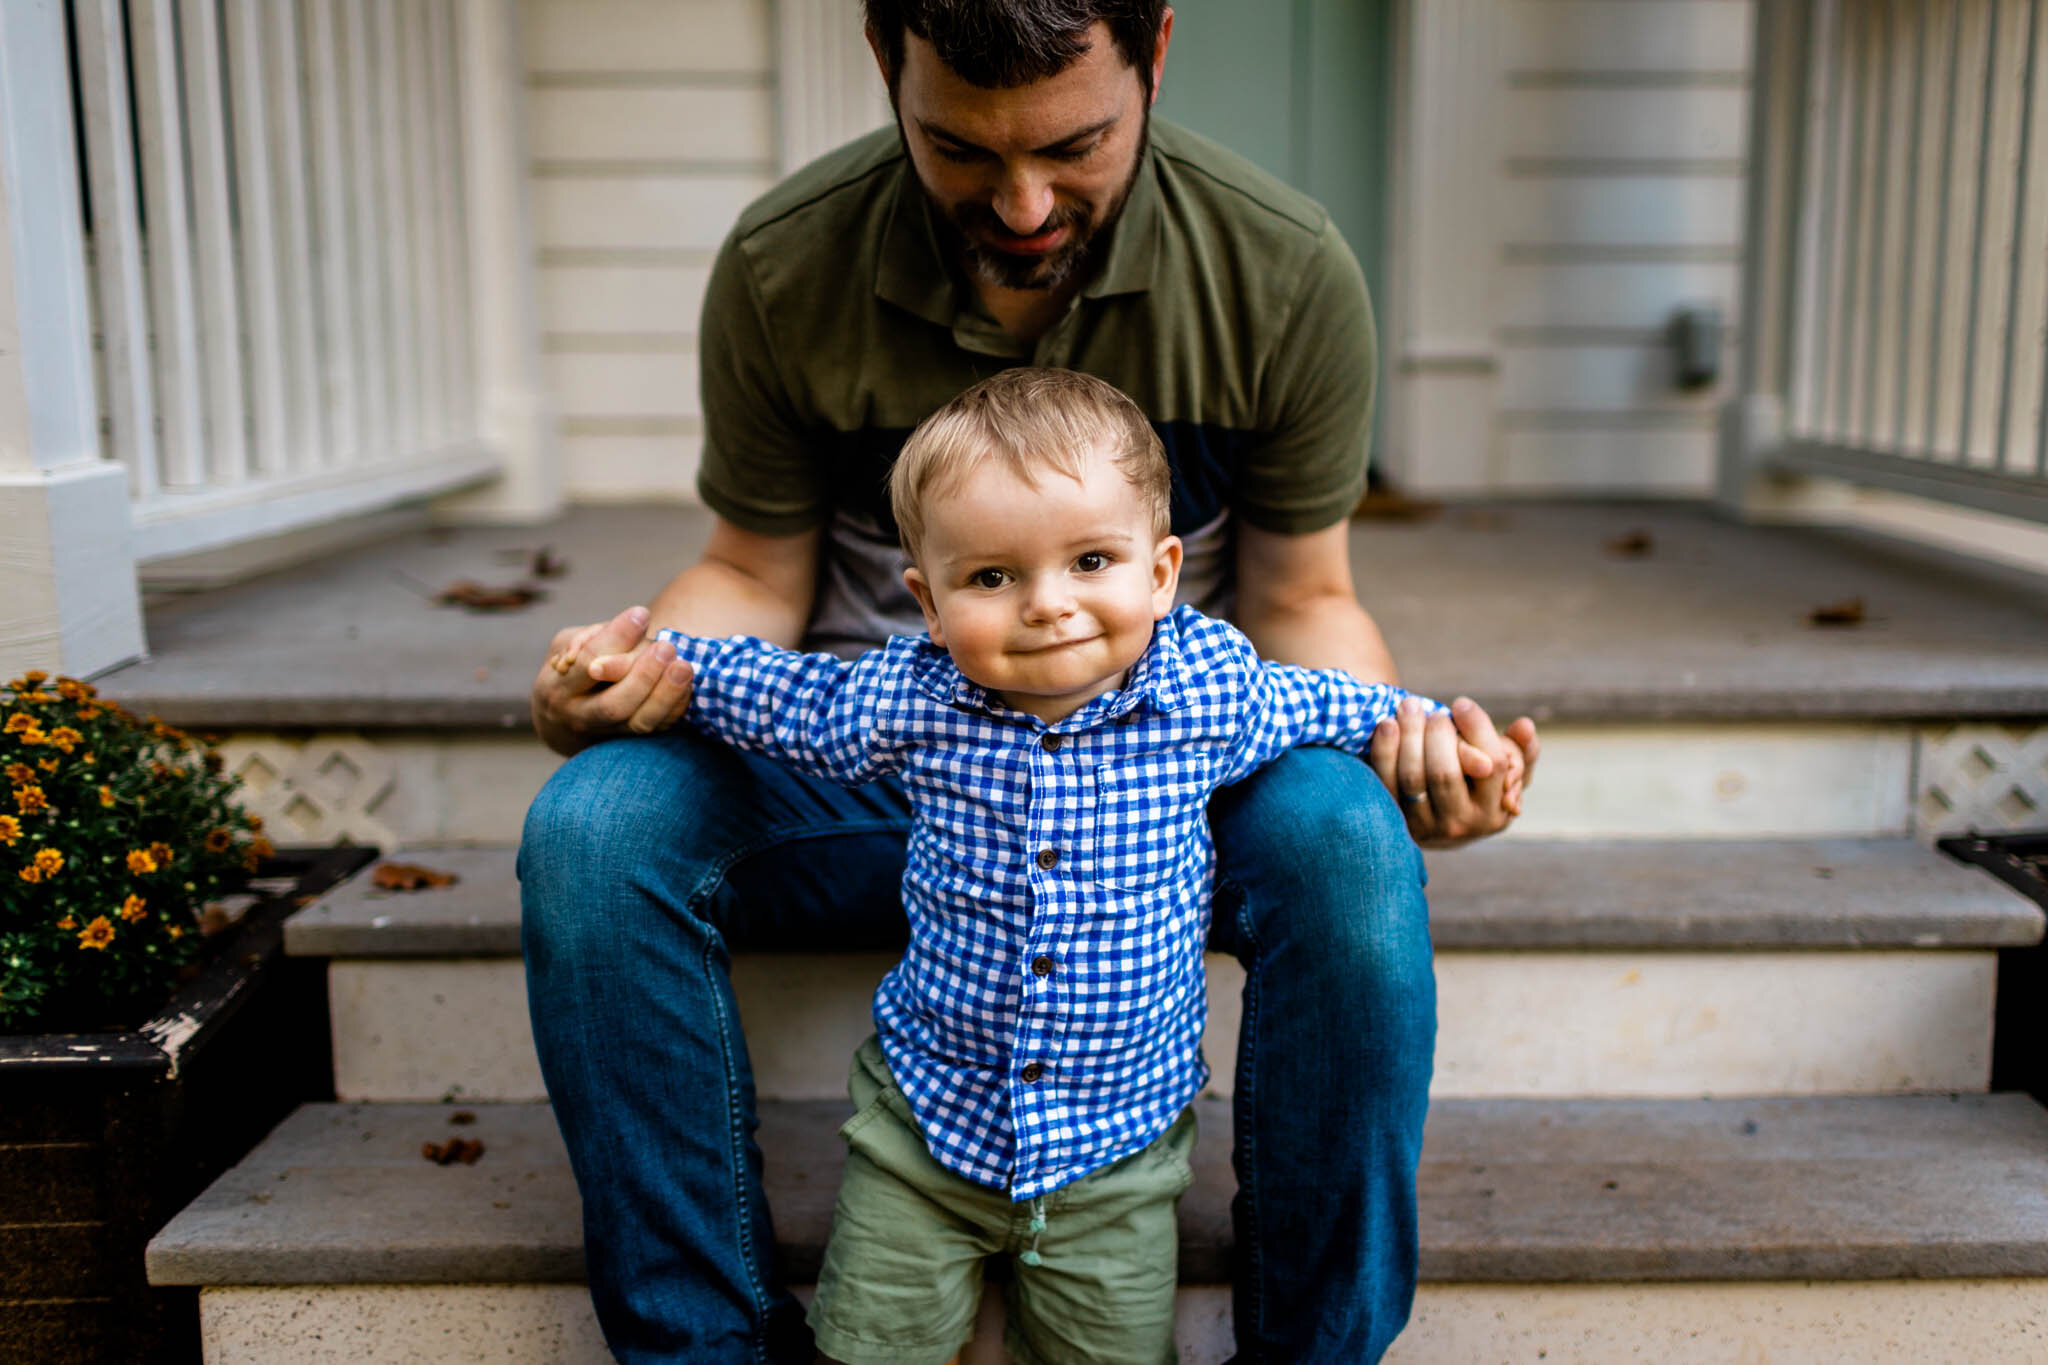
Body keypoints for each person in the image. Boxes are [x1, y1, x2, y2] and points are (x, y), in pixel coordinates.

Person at [520, 3, 1541, 1360]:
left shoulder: (1283, 272)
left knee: (1352, 846)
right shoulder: (785, 264)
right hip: (890, 750)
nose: (1019, 202)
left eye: (1075, 145)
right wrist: (627, 682)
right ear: (885, 61)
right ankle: (702, 1345)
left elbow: (1305, 601)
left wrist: (1416, 762)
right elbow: (750, 578)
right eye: (956, 148)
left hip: (1167, 788)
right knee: (595, 824)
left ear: (1157, 52)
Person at [648, 369, 1518, 1365]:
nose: (1046, 606)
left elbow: (1349, 707)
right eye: (990, 578)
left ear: (1159, 573)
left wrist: (1453, 744)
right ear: (926, 604)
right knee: (867, 1351)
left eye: (1090, 561)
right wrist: (650, 659)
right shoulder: (905, 699)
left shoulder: (1210, 690)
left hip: (1119, 1152)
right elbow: (773, 692)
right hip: (921, 1135)